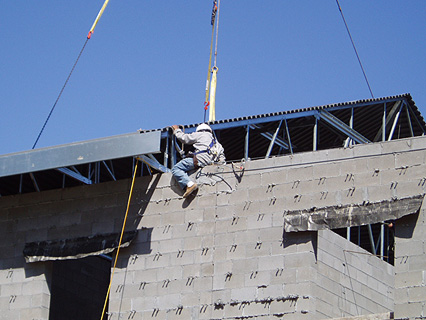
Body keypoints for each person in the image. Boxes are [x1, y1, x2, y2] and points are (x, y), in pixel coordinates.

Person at [171, 123, 225, 198]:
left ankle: (190, 184)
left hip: (199, 160)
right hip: (208, 163)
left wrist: (177, 130)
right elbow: (222, 160)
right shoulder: (217, 143)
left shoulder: (200, 134)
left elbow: (184, 138)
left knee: (176, 168)